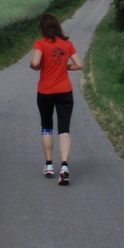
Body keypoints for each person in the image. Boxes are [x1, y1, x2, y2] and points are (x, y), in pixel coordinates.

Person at [29, 13, 83, 186]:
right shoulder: (67, 44)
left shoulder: (40, 44)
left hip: (45, 91)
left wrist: (36, 65)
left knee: (46, 126)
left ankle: (49, 164)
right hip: (65, 91)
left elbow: (35, 63)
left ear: (43, 28)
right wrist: (64, 67)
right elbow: (79, 65)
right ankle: (65, 166)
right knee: (64, 129)